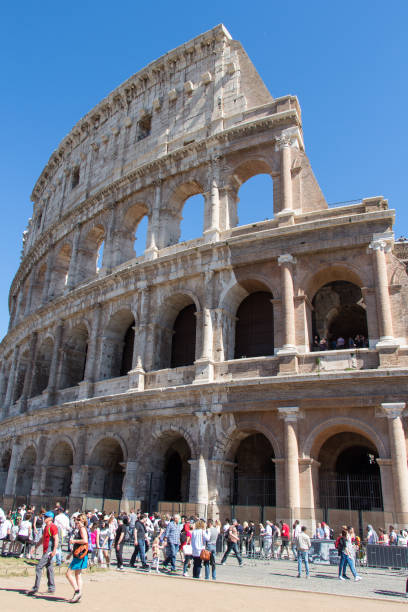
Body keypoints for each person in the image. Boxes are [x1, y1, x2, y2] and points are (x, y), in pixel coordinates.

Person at [27, 511, 59, 596]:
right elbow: (42, 539)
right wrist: (35, 547)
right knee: (49, 568)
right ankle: (51, 588)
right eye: (44, 517)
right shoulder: (46, 527)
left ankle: (35, 588)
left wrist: (54, 550)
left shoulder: (53, 527)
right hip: (46, 550)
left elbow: (56, 539)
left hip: (49, 550)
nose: (44, 518)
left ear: (51, 518)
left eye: (46, 517)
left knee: (39, 567)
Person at [66, 513, 89, 603]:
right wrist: (71, 553)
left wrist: (74, 540)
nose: (76, 522)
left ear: (82, 520)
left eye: (78, 520)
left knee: (68, 573)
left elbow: (85, 541)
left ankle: (77, 591)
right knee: (77, 575)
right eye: (76, 520)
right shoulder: (80, 529)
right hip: (78, 554)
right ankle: (78, 594)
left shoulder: (82, 529)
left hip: (80, 555)